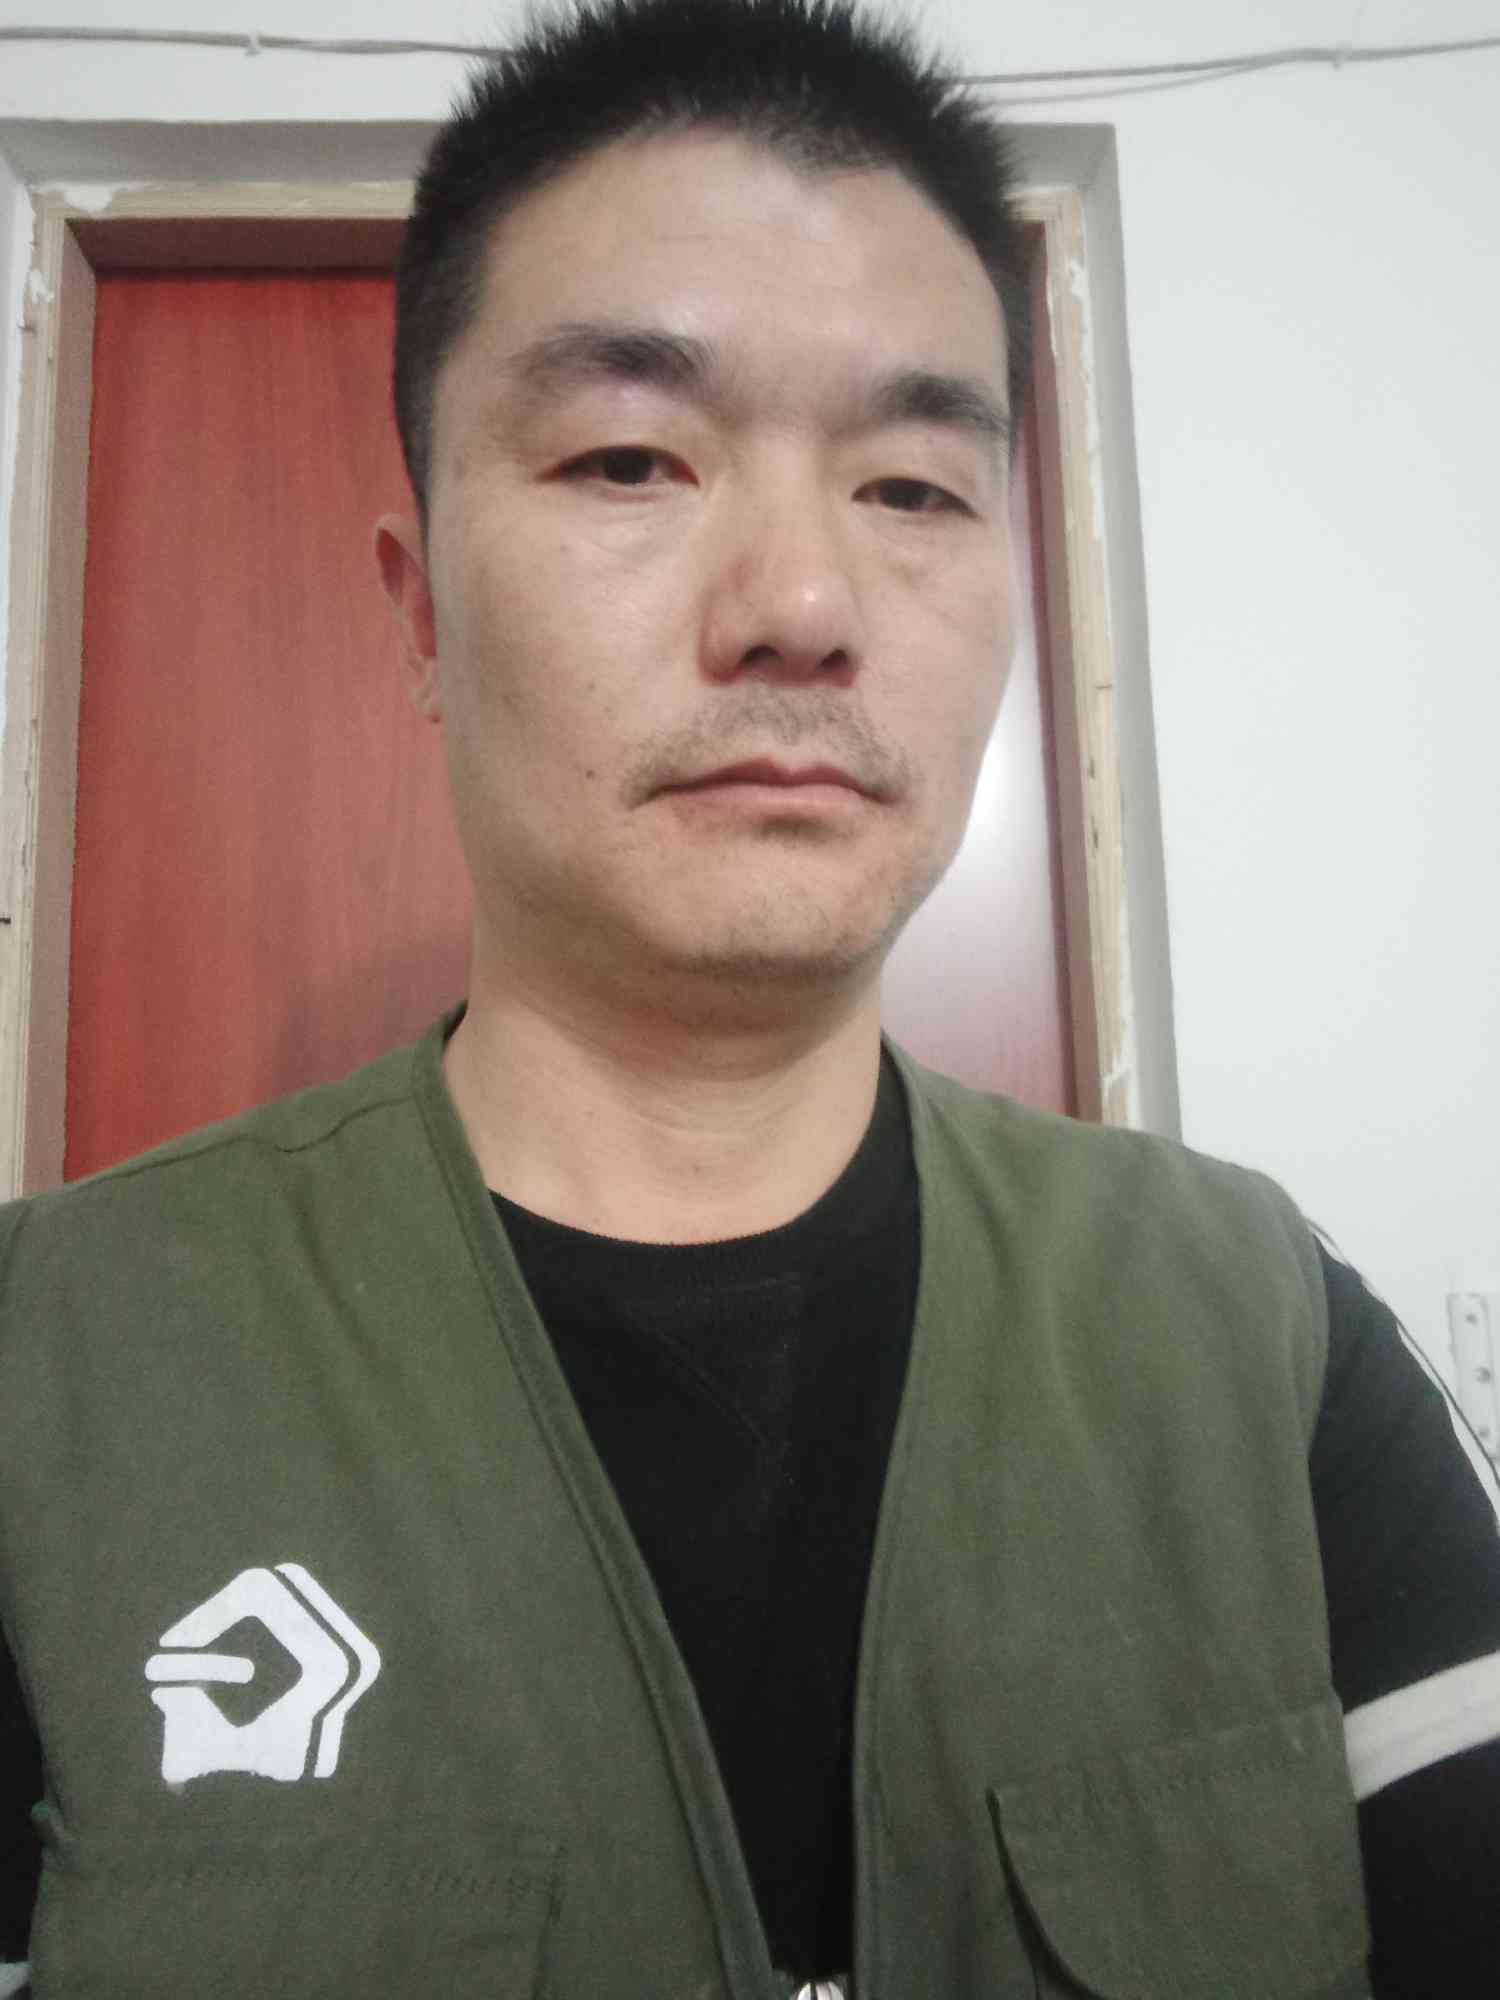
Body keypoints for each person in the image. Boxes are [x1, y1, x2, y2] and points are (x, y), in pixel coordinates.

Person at [2, 1, 1498, 1994]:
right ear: (422, 612)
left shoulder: (1259, 1333)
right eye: (632, 456)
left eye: (914, 488)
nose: (799, 605)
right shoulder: (52, 1375)